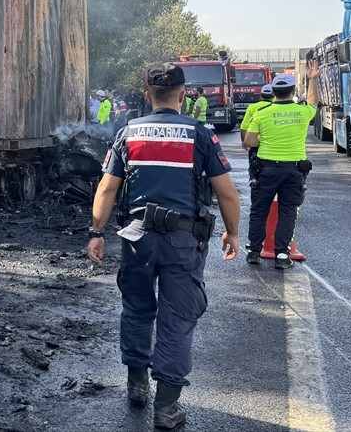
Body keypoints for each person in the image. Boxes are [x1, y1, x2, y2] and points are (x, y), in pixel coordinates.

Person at [87, 63, 241, 430]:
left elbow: (107, 189)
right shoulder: (200, 133)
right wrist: (232, 233)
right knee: (177, 319)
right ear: (183, 94)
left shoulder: (129, 132)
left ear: (147, 94)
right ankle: (166, 408)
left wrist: (96, 231)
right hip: (182, 242)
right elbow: (226, 193)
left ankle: (137, 386)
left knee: (138, 311)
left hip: (137, 240)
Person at [242, 70, 318, 269]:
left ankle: (253, 252)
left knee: (259, 210)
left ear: (273, 92)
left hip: (266, 169)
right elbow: (313, 101)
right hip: (294, 170)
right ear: (293, 91)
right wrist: (313, 79)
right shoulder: (303, 112)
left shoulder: (262, 113)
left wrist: (265, 139)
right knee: (288, 211)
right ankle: (282, 255)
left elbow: (248, 141)